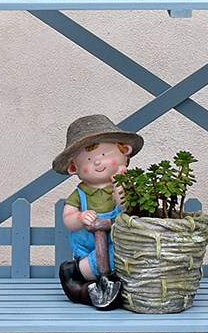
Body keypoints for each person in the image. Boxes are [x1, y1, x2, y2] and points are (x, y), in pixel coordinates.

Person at [53, 114, 143, 306]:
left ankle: (79, 271)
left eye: (104, 155)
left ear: (125, 153)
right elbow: (68, 219)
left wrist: (120, 182)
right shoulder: (80, 193)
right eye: (88, 159)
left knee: (118, 251)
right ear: (73, 168)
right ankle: (85, 273)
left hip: (115, 240)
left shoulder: (122, 186)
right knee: (116, 253)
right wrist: (80, 216)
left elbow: (126, 206)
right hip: (87, 244)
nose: (97, 162)